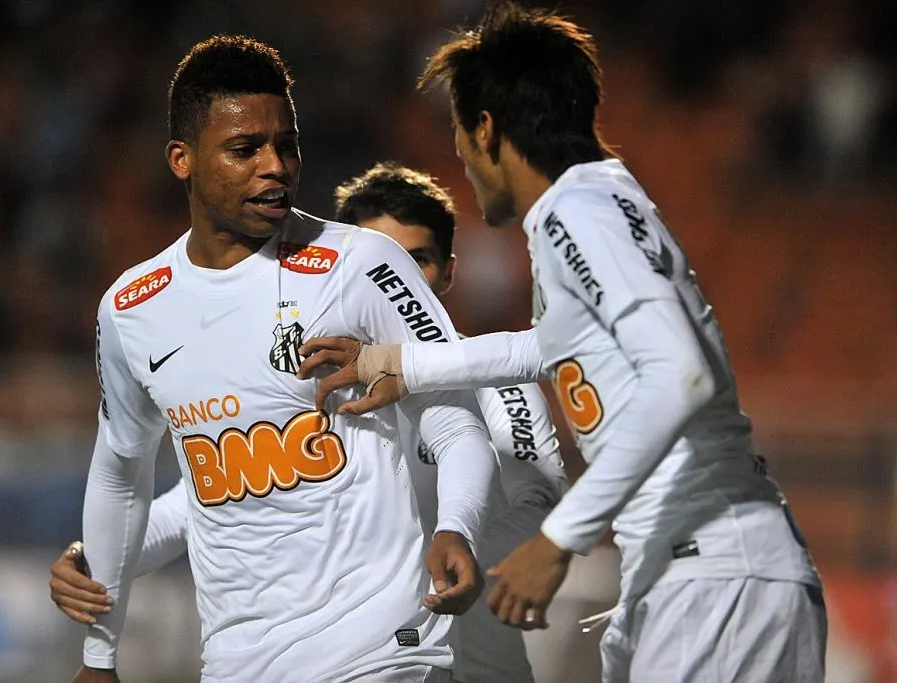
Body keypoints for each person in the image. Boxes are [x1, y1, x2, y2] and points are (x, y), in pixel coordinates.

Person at [297, 5, 827, 682]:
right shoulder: (604, 199)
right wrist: (395, 361)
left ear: (485, 128)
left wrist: (556, 541)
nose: (461, 158)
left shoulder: (577, 213)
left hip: (714, 575)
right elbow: (548, 348)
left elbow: (681, 374)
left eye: (459, 133)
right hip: (700, 569)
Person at [73, 35, 500, 683]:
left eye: (287, 145)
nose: (275, 165)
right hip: (238, 663)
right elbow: (121, 475)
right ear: (182, 160)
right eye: (246, 149)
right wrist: (99, 656)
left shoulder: (362, 264)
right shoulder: (133, 309)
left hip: (383, 649)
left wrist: (457, 527)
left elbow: (455, 419)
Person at [52, 162, 570, 683]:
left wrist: (444, 543)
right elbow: (204, 504)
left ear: (448, 272)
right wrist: (95, 559)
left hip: (475, 663)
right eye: (384, 257)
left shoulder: (495, 381)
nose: (398, 276)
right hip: (375, 651)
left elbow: (539, 506)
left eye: (419, 260)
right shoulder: (313, 384)